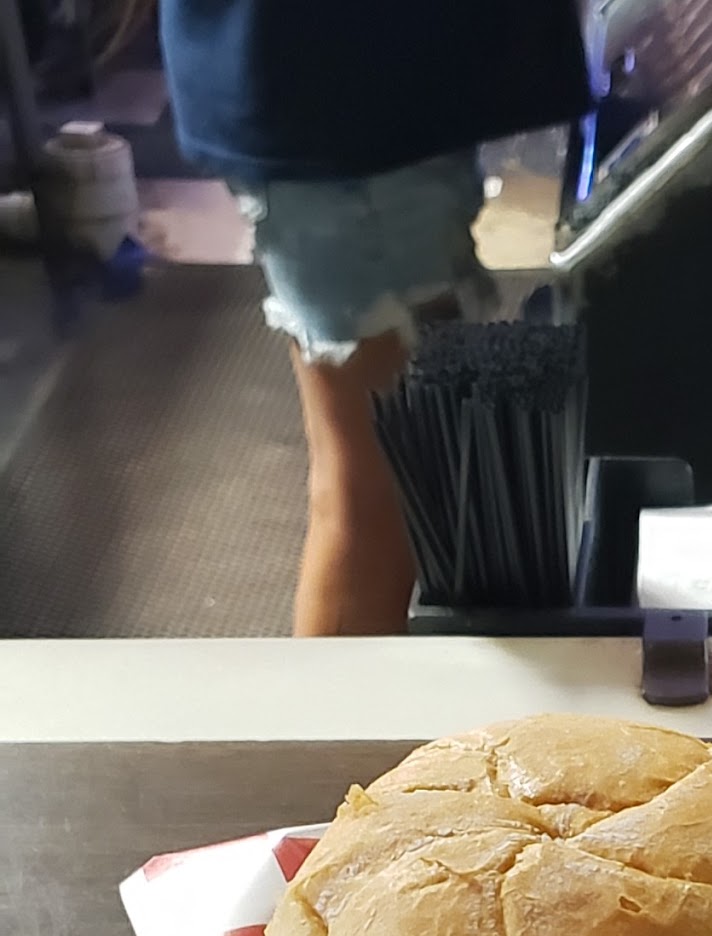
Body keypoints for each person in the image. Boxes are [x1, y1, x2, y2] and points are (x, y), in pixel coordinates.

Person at [158, 2, 592, 636]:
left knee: (404, 481)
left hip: (369, 95)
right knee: (383, 495)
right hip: (344, 101)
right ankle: (344, 705)